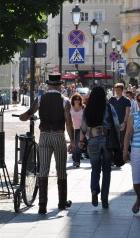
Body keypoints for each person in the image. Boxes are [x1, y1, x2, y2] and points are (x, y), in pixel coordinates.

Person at [19, 73, 75, 214]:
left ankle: (42, 204)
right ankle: (62, 202)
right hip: (58, 136)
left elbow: (28, 114)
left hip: (44, 136)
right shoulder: (65, 101)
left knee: (43, 169)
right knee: (61, 169)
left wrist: (22, 117)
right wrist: (73, 140)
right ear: (60, 85)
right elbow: (69, 122)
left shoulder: (40, 99)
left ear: (49, 85)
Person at [79, 86, 120, 209]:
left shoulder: (87, 109)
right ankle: (105, 199)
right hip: (107, 140)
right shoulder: (109, 107)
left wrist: (81, 141)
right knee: (107, 170)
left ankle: (94, 190)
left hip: (93, 140)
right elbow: (116, 125)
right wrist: (118, 143)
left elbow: (83, 127)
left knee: (95, 168)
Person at [123, 93, 140, 214]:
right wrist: (125, 151)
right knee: (136, 181)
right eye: (139, 100)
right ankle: (139, 197)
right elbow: (128, 134)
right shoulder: (133, 116)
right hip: (136, 151)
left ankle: (138, 201)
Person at [109, 83, 131, 150]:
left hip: (122, 123)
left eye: (119, 90)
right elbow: (109, 112)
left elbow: (127, 113)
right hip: (112, 124)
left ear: (122, 90)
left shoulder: (126, 100)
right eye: (116, 90)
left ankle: (122, 156)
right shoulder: (111, 100)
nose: (117, 91)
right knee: (113, 142)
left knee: (122, 141)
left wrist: (124, 123)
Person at [70, 92, 84, 168]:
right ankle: (74, 158)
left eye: (79, 99)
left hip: (80, 129)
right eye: (76, 99)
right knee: (74, 145)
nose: (77, 100)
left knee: (78, 145)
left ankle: (77, 161)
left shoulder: (83, 107)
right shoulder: (70, 107)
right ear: (73, 100)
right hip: (72, 128)